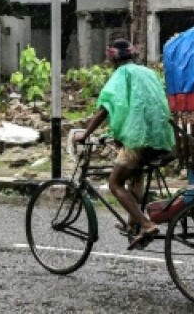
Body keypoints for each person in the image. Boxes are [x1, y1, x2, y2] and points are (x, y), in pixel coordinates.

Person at [74, 38, 175, 248]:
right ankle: (133, 223)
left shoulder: (122, 74)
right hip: (161, 138)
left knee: (114, 183)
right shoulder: (148, 73)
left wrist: (86, 134)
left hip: (139, 138)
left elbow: (106, 107)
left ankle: (146, 224)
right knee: (134, 173)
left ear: (112, 59)